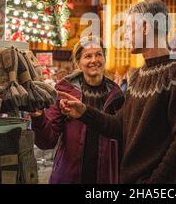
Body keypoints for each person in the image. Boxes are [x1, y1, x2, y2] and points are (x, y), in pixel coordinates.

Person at [60, 0, 176, 184]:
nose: (126, 35)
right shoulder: (137, 76)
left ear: (144, 27)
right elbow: (120, 126)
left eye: (129, 28)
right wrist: (84, 112)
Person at [29, 36, 124, 184]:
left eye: (99, 54)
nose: (94, 60)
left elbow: (122, 139)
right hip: (69, 176)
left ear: (105, 58)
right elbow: (47, 141)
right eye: (88, 56)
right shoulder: (65, 92)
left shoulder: (116, 96)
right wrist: (38, 117)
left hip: (105, 177)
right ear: (79, 62)